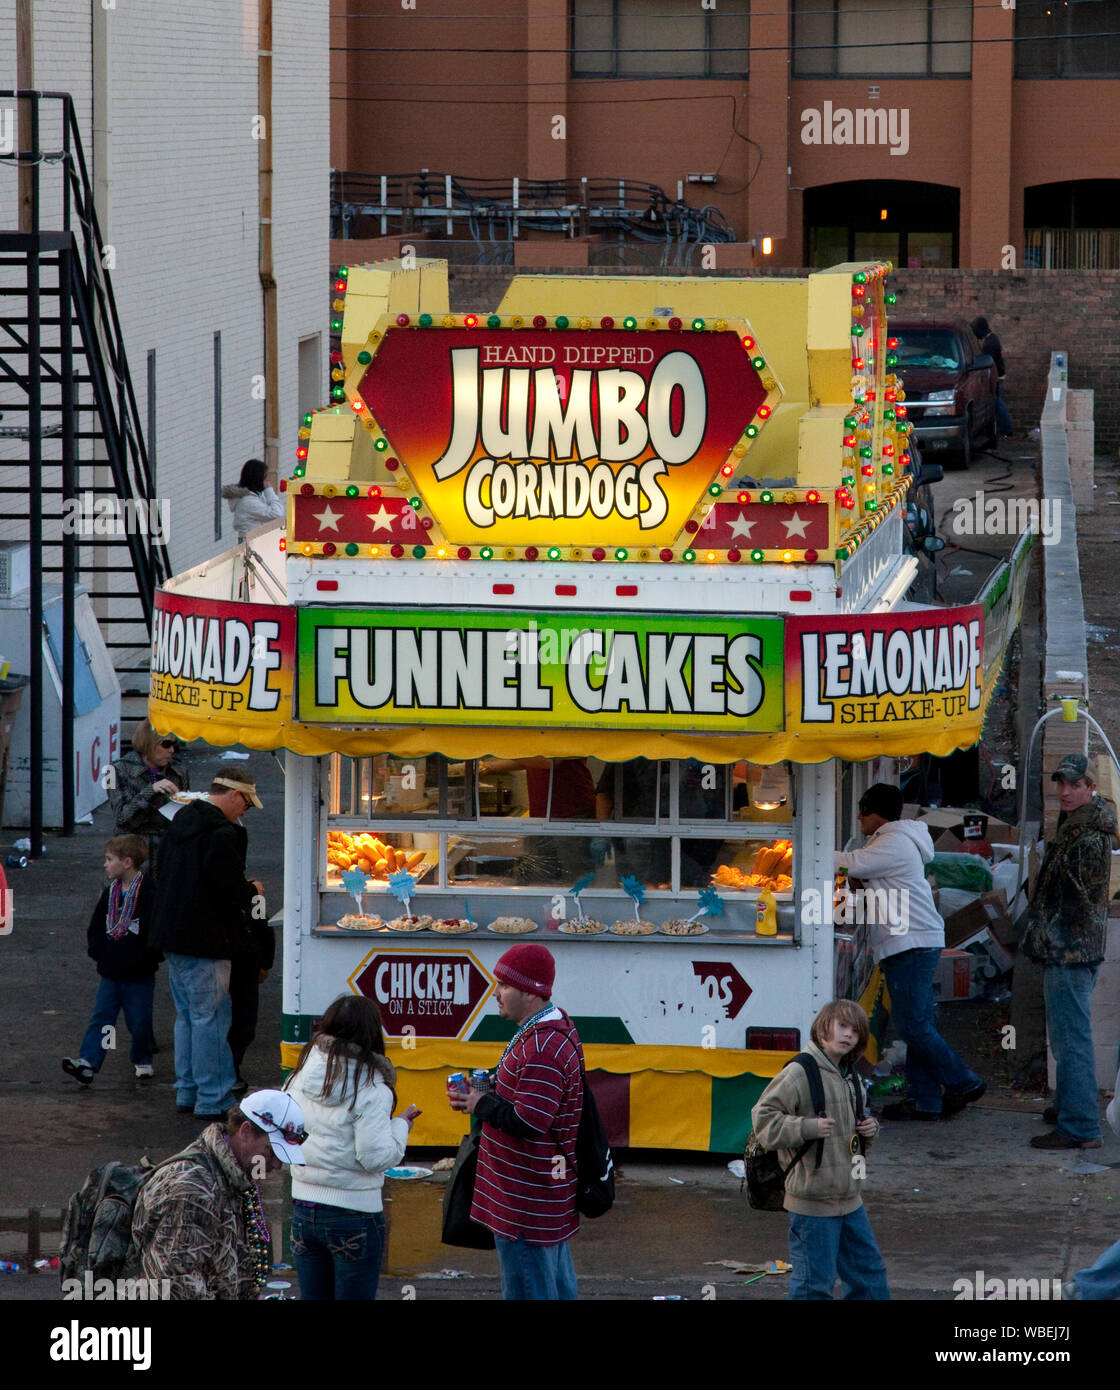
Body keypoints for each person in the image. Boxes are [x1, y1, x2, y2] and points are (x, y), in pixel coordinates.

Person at [836, 782, 985, 1120]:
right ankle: (926, 1101)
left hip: (912, 944)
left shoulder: (894, 842)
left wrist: (803, 849)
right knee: (917, 1023)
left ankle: (965, 1081)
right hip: (911, 942)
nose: (858, 816)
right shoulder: (892, 841)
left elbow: (850, 862)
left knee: (914, 1025)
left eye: (863, 810)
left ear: (879, 815)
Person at [449, 943, 584, 1300]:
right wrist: (492, 1088)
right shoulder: (547, 1029)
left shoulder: (542, 1049)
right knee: (553, 1287)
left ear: (530, 991)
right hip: (536, 1203)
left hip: (527, 1206)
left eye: (504, 986)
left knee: (529, 1290)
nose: (496, 994)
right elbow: (531, 1096)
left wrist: (481, 1104)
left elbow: (530, 1121)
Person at [284, 995, 422, 1299]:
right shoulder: (372, 1086)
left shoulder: (298, 1076)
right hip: (355, 1215)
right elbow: (374, 1157)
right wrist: (401, 1126)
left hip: (303, 1212)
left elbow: (284, 1135)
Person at [750, 999, 889, 1300]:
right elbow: (763, 1124)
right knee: (814, 1286)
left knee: (870, 1278)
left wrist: (870, 1130)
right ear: (823, 1028)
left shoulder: (850, 1076)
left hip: (850, 1200)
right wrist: (807, 1127)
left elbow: (854, 1135)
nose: (849, 1035)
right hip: (812, 1203)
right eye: (842, 1026)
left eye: (855, 1030)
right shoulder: (800, 1072)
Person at [151, 773, 264, 1119]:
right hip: (206, 940)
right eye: (244, 803)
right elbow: (226, 890)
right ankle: (213, 1098)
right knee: (211, 1019)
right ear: (231, 794)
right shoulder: (222, 834)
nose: (244, 811)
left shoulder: (181, 821)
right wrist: (253, 890)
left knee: (187, 1016)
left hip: (173, 935)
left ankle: (187, 1090)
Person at [1020, 754, 1118, 1150]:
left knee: (1071, 1038)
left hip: (1070, 951)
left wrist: (1046, 932)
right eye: (1061, 784)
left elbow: (1075, 901)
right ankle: (1068, 1107)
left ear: (1090, 788)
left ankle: (1080, 1126)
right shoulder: (1075, 826)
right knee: (1066, 1037)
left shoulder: (1088, 837)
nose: (1065, 791)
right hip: (1070, 949)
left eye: (1074, 785)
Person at [126, 1090, 307, 1300]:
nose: (277, 1164)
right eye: (272, 1152)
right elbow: (176, 1286)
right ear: (246, 1131)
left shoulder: (235, 1176)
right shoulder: (192, 1191)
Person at [62, 834, 161, 1085]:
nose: (105, 864)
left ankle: (142, 1057)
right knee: (103, 1017)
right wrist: (98, 952)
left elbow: (155, 930)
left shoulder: (148, 893)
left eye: (109, 859)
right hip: (111, 969)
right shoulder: (110, 893)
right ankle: (90, 1061)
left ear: (127, 862)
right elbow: (96, 926)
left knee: (139, 1020)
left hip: (139, 972)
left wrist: (149, 957)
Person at [106, 721, 189, 876]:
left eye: (174, 745)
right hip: (132, 855)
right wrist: (150, 791)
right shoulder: (113, 770)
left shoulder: (179, 770)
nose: (171, 750)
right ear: (149, 743)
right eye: (166, 744)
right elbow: (122, 818)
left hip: (167, 853)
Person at [970, 315, 1013, 437]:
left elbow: (990, 365)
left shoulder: (989, 345)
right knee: (997, 403)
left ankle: (1006, 429)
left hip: (996, 378)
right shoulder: (993, 338)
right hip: (999, 376)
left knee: (996, 403)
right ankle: (1004, 429)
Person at [221, 457, 286, 540]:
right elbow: (277, 514)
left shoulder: (257, 495)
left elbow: (279, 510)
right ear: (257, 479)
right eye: (265, 477)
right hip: (251, 544)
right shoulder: (248, 502)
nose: (268, 480)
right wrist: (269, 490)